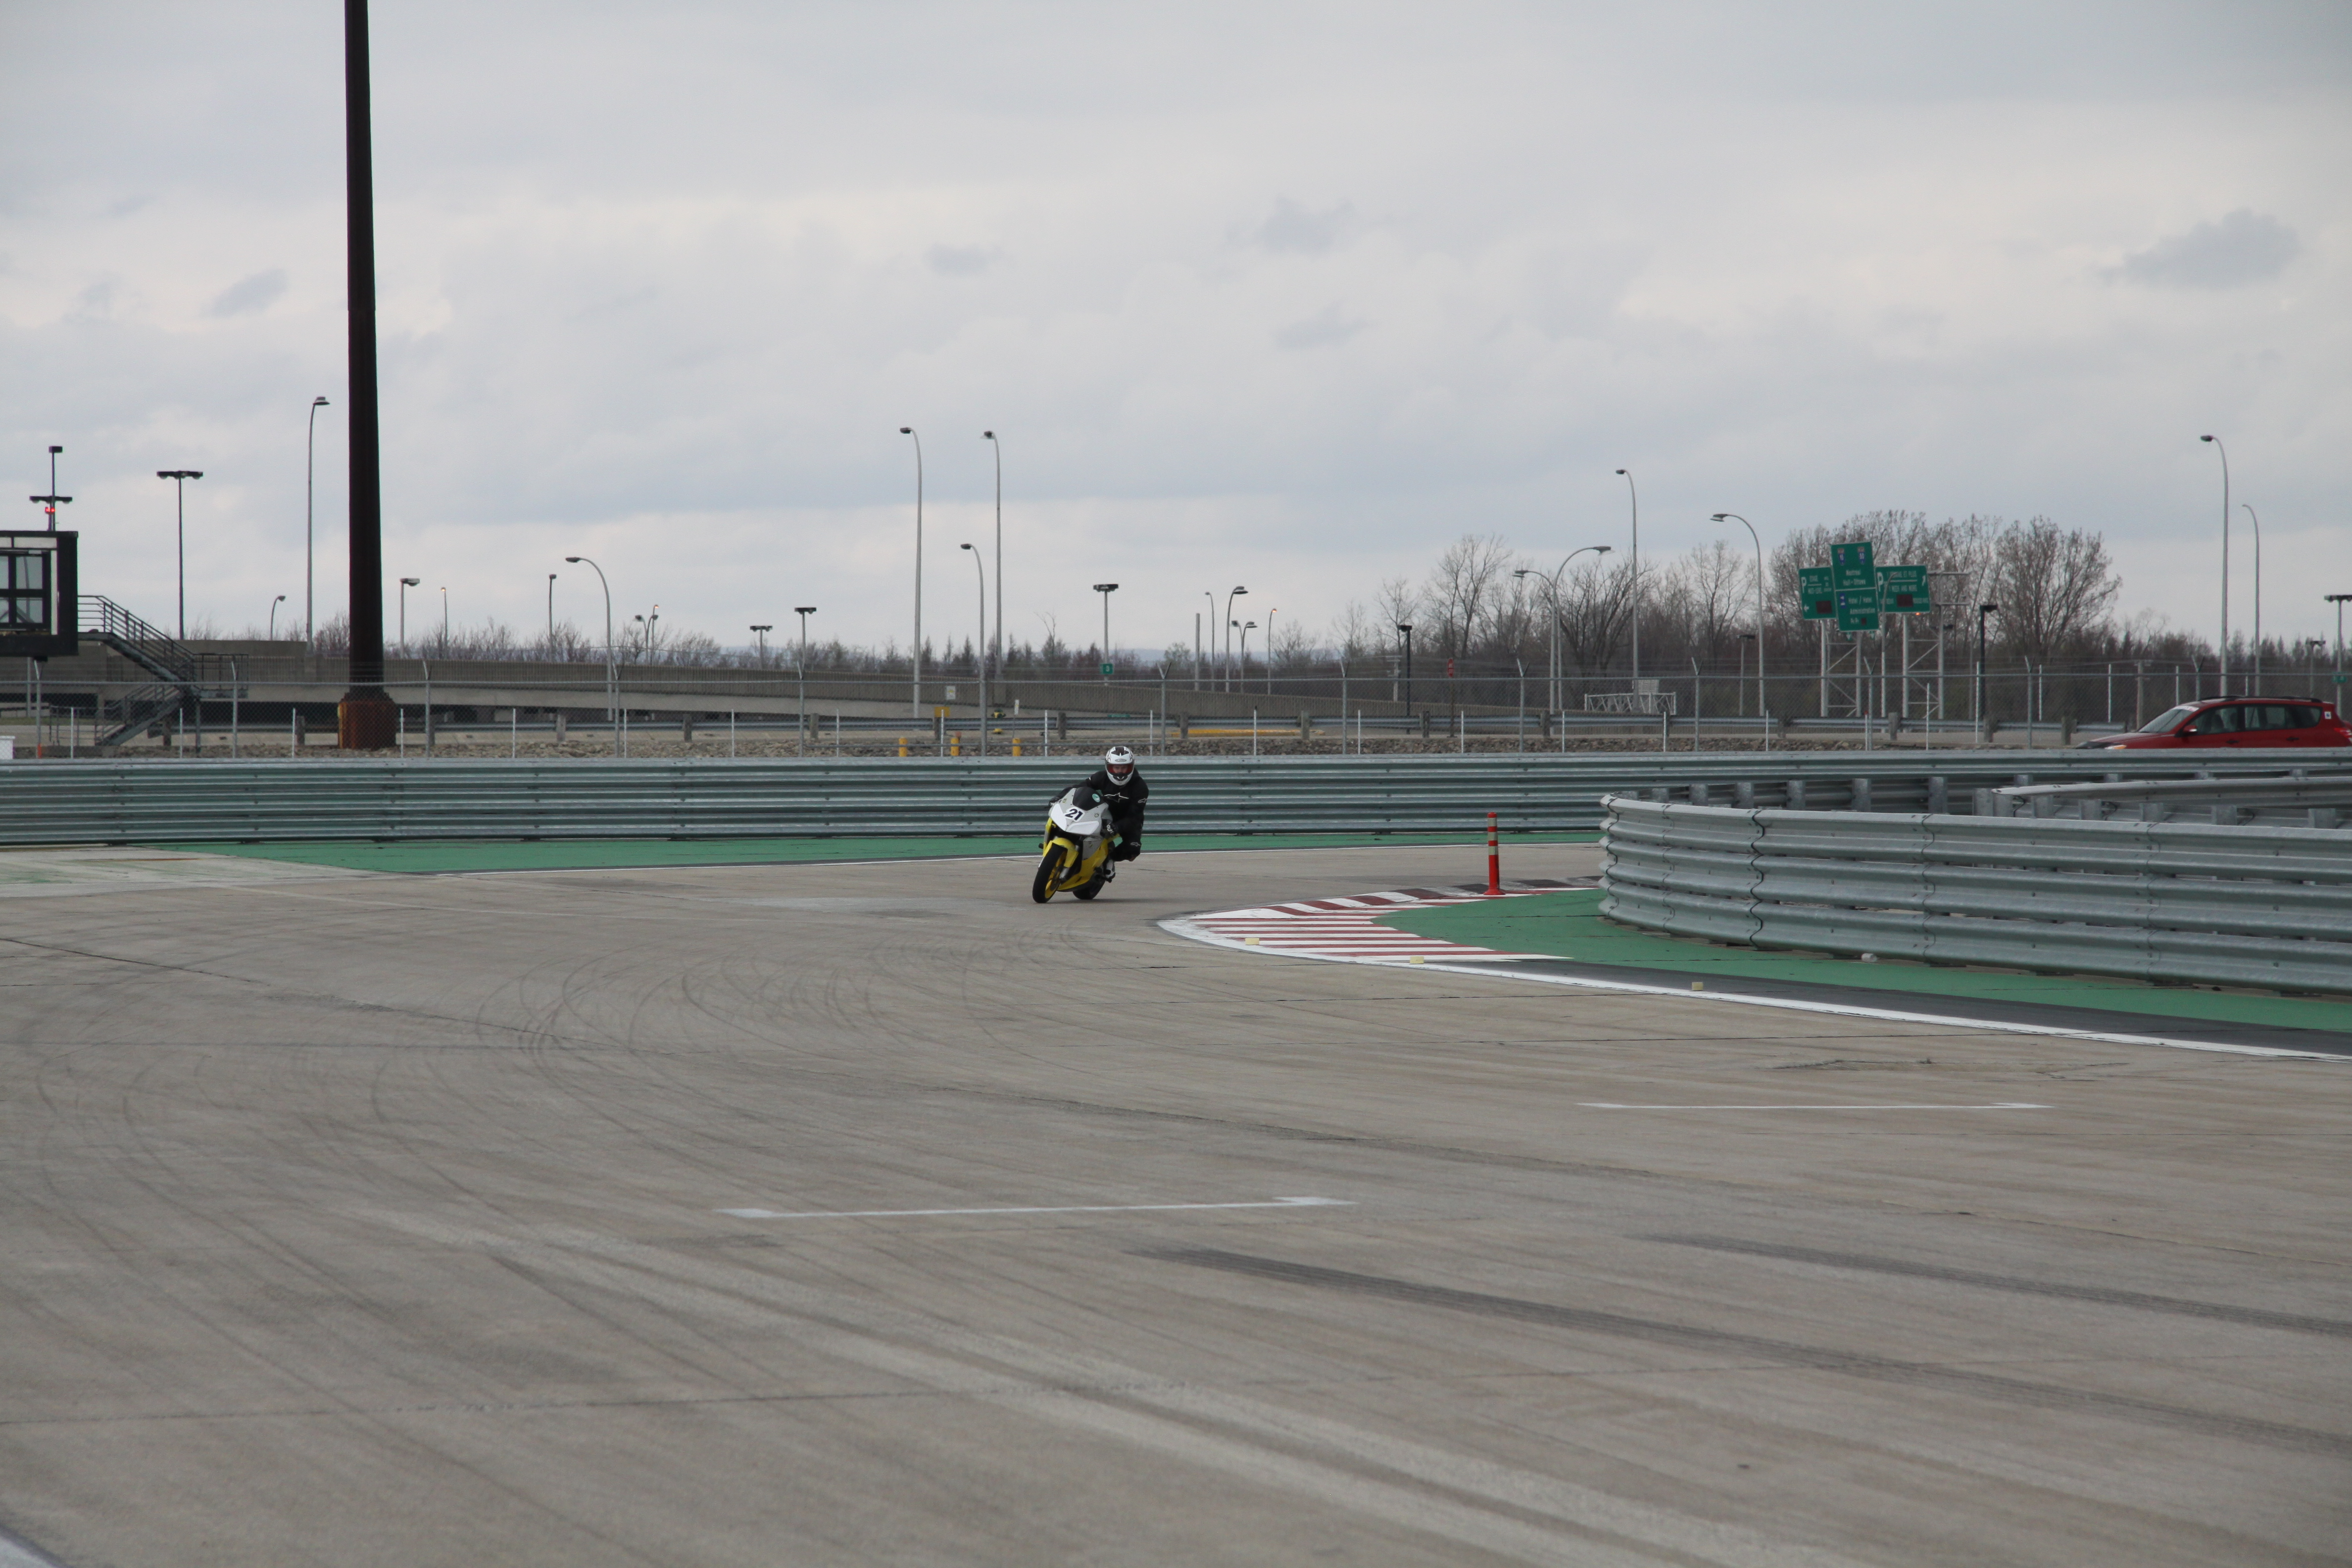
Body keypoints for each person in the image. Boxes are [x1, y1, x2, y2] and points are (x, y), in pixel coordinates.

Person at [1064, 744, 1148, 866]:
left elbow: (1135, 816)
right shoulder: (1101, 777)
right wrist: (1061, 796)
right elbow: (1080, 787)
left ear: (1131, 767)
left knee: (1133, 849)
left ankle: (1108, 861)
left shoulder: (1140, 786)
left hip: (1127, 819)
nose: (1120, 772)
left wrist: (1118, 827)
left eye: (1124, 768)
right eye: (1116, 768)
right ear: (1108, 766)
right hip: (1104, 813)